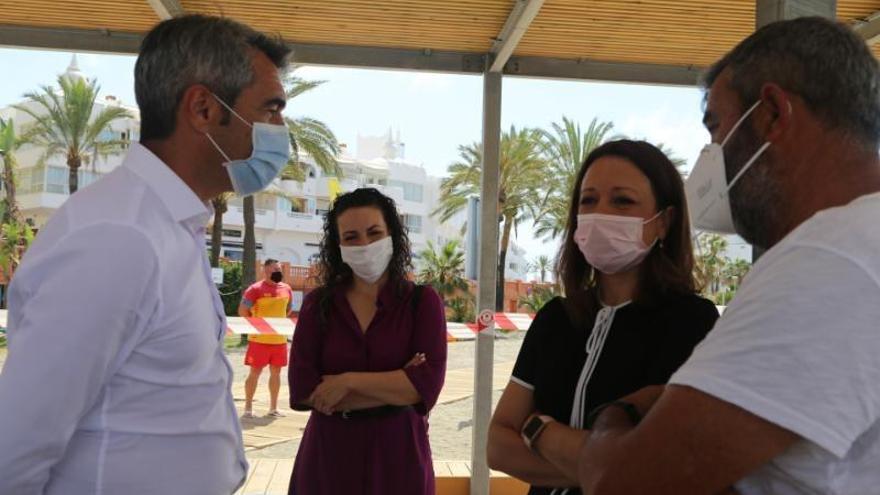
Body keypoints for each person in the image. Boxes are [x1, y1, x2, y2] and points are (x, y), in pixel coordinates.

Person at [576, 17, 880, 495]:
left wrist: (616, 417)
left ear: (773, 114)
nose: (711, 155)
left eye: (715, 129)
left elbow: (625, 484)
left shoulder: (828, 259)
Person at [0, 15, 291, 494]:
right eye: (271, 109)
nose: (281, 130)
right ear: (202, 108)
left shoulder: (169, 225)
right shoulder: (120, 238)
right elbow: (15, 451)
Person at [488, 139, 719, 494]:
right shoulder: (556, 318)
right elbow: (498, 445)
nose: (602, 213)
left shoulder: (692, 323)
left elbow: (667, 465)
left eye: (623, 201)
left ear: (664, 222)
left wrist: (540, 432)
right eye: (589, 200)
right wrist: (606, 472)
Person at [288, 187, 447, 495]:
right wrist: (397, 384)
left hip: (399, 459)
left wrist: (346, 382)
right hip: (328, 460)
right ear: (338, 245)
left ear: (392, 234)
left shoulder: (421, 302)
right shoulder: (318, 304)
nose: (364, 244)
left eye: (374, 233)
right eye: (351, 237)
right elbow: (305, 389)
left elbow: (425, 387)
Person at [239, 258, 295, 418]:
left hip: (279, 340)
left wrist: (277, 325)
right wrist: (258, 325)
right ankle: (248, 408)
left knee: (276, 373)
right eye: (273, 270)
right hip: (259, 341)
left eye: (279, 270)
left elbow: (288, 309)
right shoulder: (254, 289)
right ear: (265, 271)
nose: (277, 273)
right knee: (254, 372)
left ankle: (273, 408)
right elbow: (243, 310)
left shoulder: (286, 289)